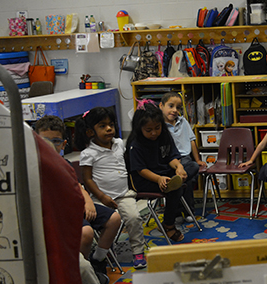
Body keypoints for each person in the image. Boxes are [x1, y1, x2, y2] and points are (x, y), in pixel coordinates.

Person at [35, 115, 120, 283]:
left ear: (64, 144)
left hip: (74, 206)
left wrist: (88, 202)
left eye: (56, 141)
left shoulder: (63, 164)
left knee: (114, 218)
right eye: (44, 141)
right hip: (58, 215)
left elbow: (78, 186)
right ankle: (81, 265)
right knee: (86, 232)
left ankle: (97, 260)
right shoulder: (33, 167)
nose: (50, 146)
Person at [75, 107, 147, 269]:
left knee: (134, 218)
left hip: (123, 194)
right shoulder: (88, 153)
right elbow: (87, 179)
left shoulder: (119, 143)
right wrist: (101, 197)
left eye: (111, 125)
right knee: (106, 221)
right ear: (90, 132)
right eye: (102, 126)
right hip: (100, 197)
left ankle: (138, 252)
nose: (109, 129)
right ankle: (106, 251)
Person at [127, 101, 189, 243]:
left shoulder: (164, 136)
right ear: (139, 128)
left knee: (190, 167)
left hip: (165, 173)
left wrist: (179, 167)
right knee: (174, 189)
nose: (154, 133)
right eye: (149, 130)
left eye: (157, 128)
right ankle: (168, 225)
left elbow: (171, 157)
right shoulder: (135, 145)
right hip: (146, 181)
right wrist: (159, 178)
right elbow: (141, 170)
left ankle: (175, 181)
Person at [159, 93, 203, 223]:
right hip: (169, 160)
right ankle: (177, 211)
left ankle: (188, 210)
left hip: (185, 158)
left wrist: (198, 159)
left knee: (188, 177)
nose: (174, 110)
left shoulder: (183, 121)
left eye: (178, 108)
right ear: (161, 106)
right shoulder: (159, 126)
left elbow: (192, 140)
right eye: (171, 106)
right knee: (177, 181)